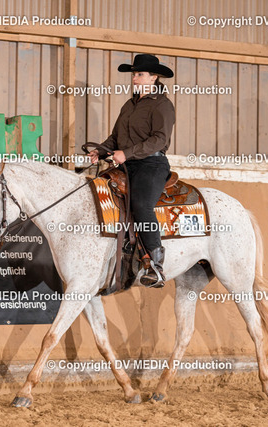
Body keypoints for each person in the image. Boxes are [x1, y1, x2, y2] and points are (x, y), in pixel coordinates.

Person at [88, 54, 175, 288]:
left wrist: (127, 153)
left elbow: (159, 139)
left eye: (140, 74)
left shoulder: (162, 105)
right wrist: (101, 151)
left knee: (141, 205)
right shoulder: (129, 105)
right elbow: (116, 137)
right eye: (134, 74)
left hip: (151, 164)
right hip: (127, 164)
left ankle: (155, 265)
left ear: (154, 77)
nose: (134, 78)